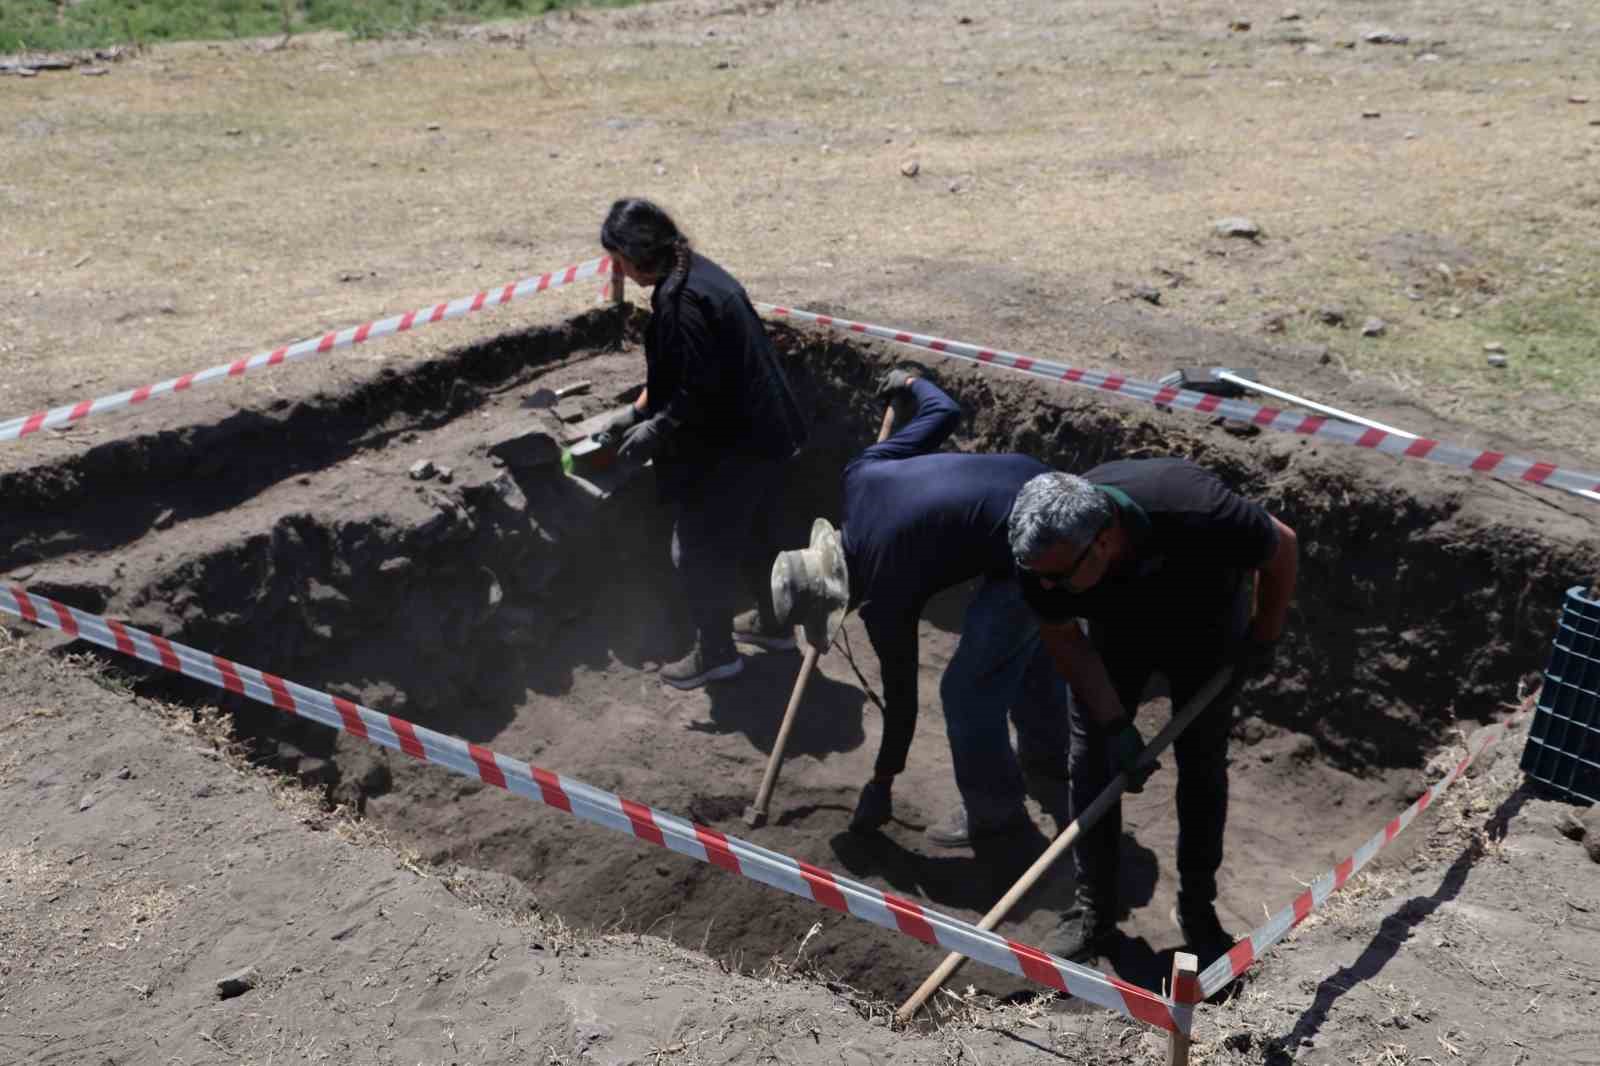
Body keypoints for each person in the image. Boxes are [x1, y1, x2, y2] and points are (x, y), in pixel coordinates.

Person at [1007, 462, 1298, 965]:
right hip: (1118, 633)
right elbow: (1065, 639)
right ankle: (1094, 908)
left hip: (1206, 626)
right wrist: (1116, 725)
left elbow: (1283, 545)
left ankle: (1198, 909)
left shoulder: (1196, 510)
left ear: (1103, 541)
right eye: (1041, 577)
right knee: (1092, 760)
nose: (1047, 587)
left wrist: (1265, 633)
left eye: (1058, 577)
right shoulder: (1042, 558)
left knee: (1202, 764)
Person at [772, 371, 1072, 846]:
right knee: (1021, 651)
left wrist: (882, 781)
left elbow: (903, 703)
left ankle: (994, 812)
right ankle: (1049, 762)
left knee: (966, 691)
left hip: (1040, 548)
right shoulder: (860, 475)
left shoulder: (887, 594)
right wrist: (910, 382)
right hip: (1049, 487)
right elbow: (944, 412)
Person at [596, 198, 808, 689]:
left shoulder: (683, 302)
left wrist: (655, 429)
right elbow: (680, 375)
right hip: (766, 429)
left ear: (635, 254)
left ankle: (716, 653)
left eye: (618, 258)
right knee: (754, 529)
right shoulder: (698, 273)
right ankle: (774, 626)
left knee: (693, 551)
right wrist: (637, 410)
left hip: (738, 442)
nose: (617, 269)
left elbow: (698, 392)